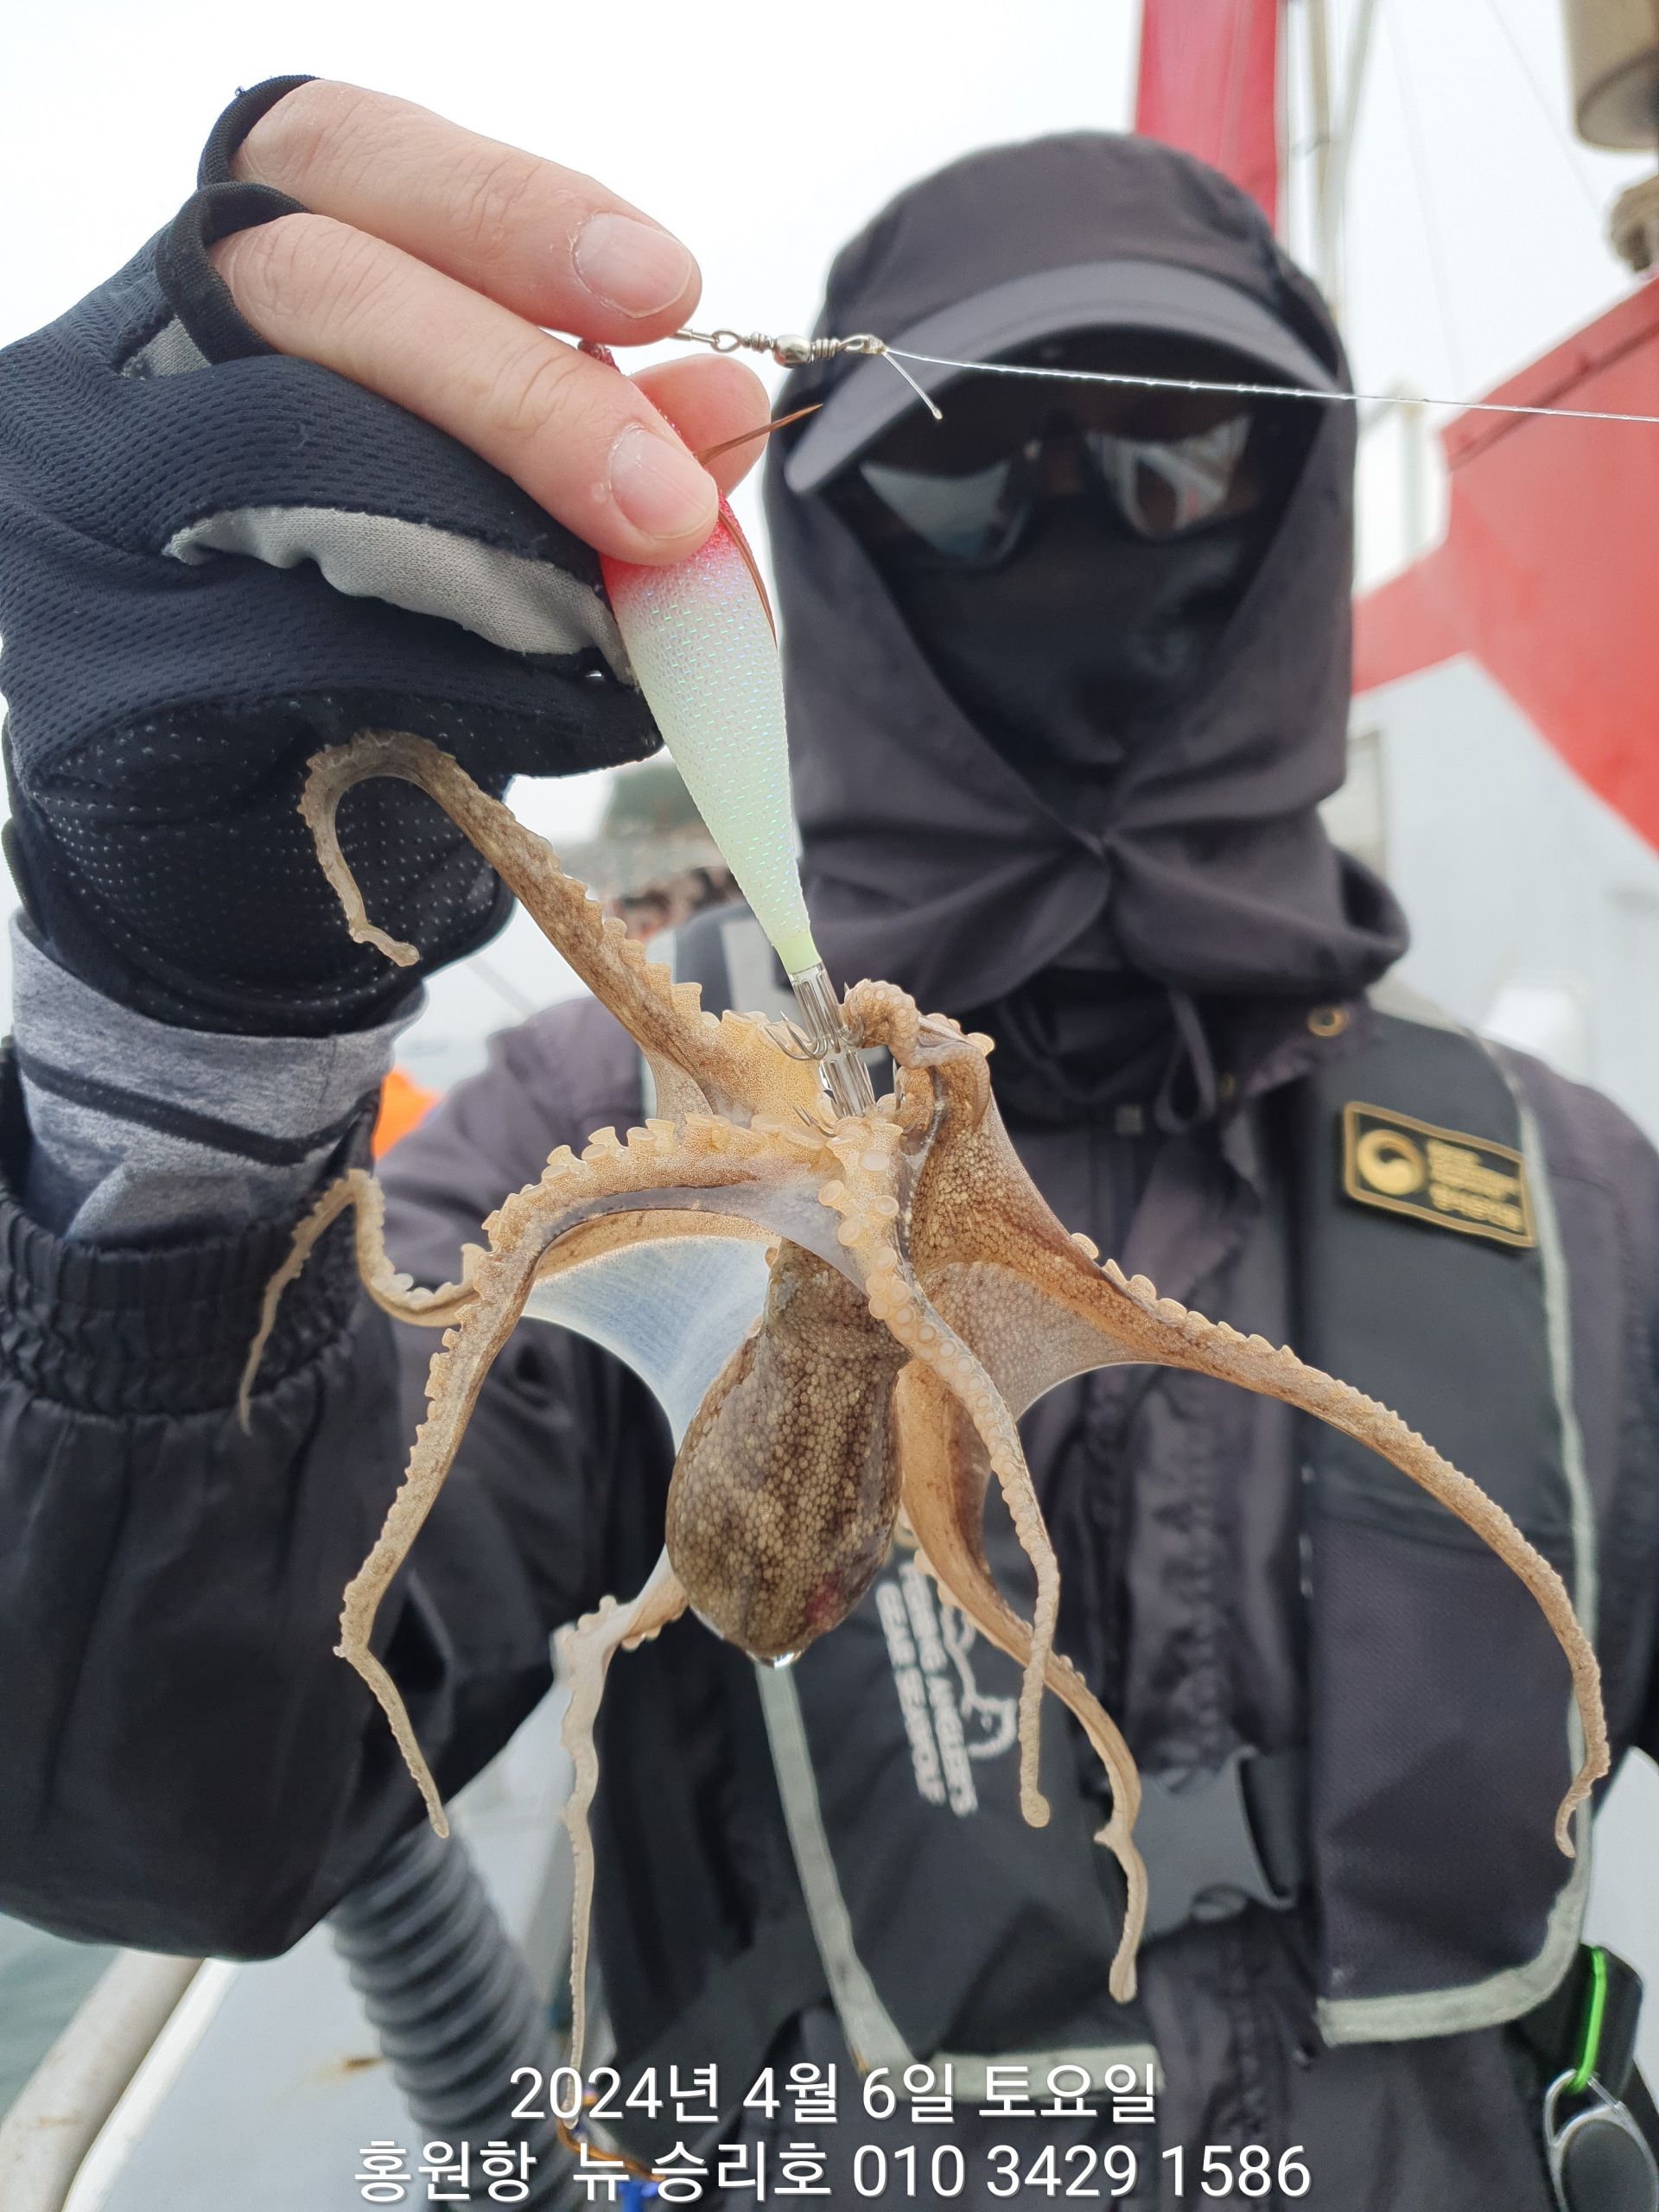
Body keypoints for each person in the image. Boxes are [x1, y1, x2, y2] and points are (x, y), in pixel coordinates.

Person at [1, 75, 1656, 2210]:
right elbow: (174, 1804)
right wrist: (193, 1036)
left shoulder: (1583, 1199)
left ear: (1296, 510)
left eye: (1172, 456)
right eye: (966, 468)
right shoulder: (623, 1124)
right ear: (840, 538)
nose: (1072, 521)